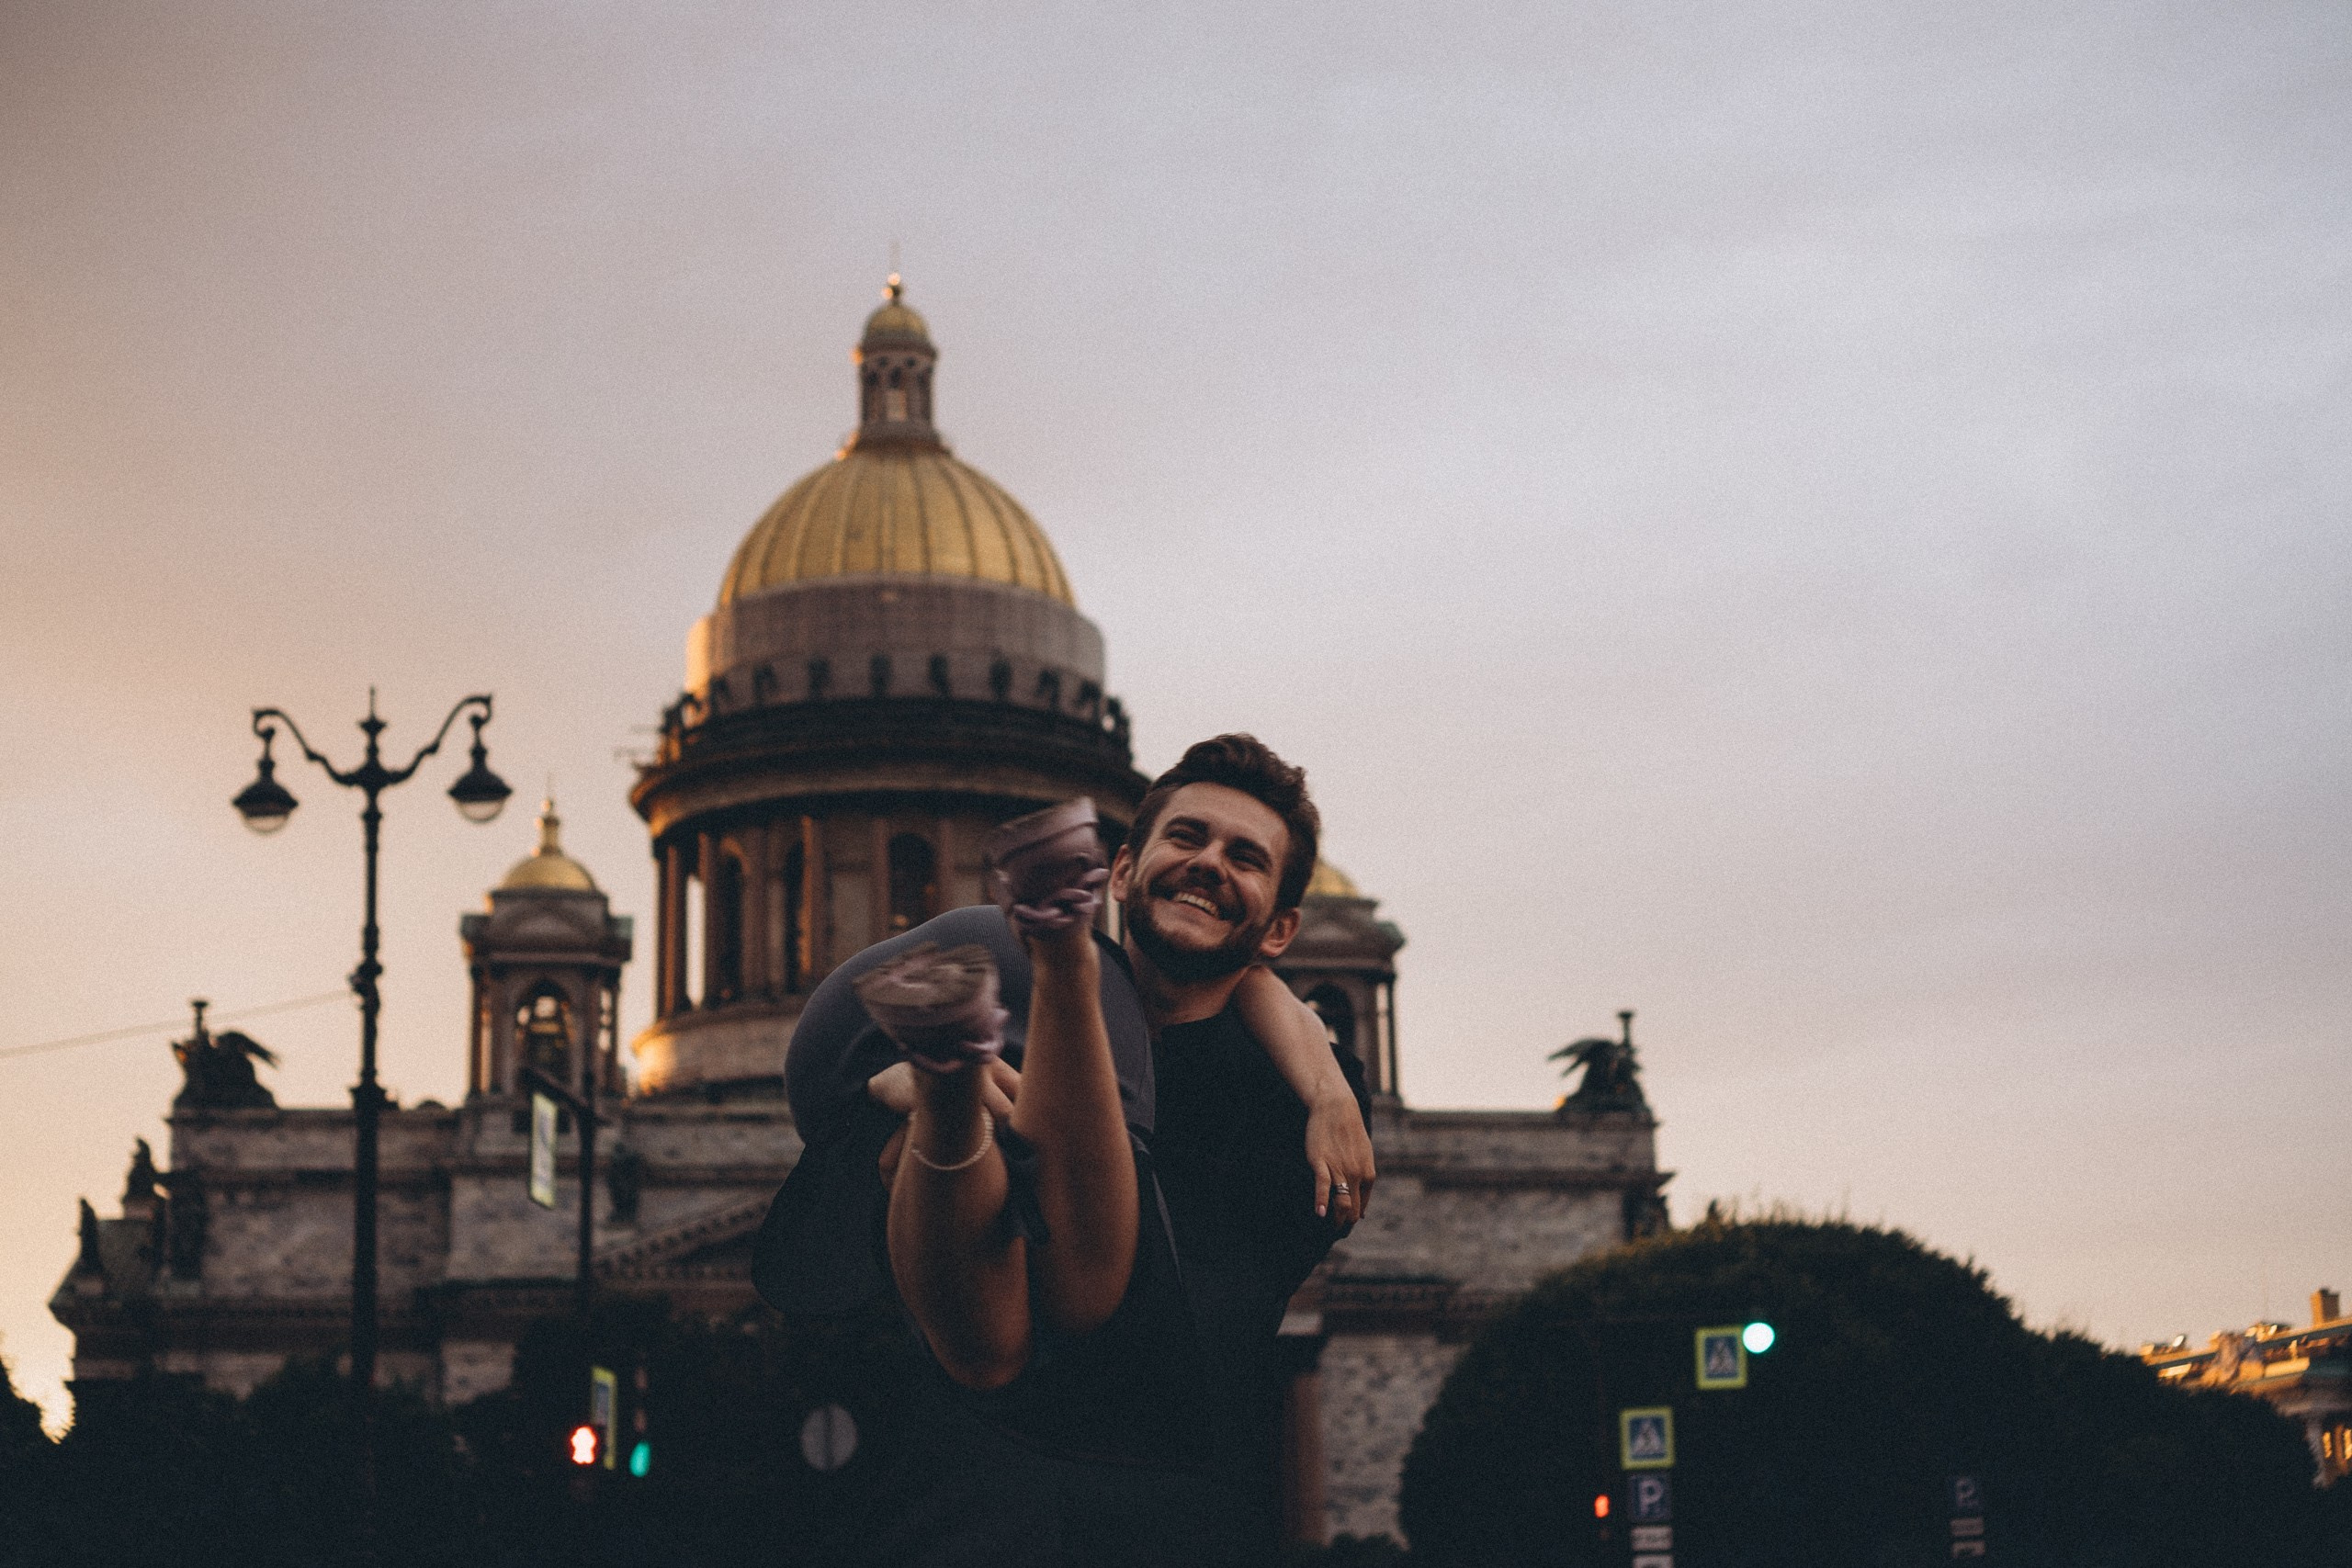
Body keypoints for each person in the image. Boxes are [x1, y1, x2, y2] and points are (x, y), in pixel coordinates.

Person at [756, 735, 1370, 1564]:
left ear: (1279, 927)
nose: (1209, 863)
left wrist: (1324, 1080)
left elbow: (1113, 1306)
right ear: (1119, 873)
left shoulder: (1296, 1101)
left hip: (1141, 1507)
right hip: (954, 1520)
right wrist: (889, 1086)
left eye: (1245, 856)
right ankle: (946, 1090)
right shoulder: (1000, 1020)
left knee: (1057, 1295)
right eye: (1186, 837)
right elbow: (824, 1220)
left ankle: (1050, 975)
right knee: (929, 1149)